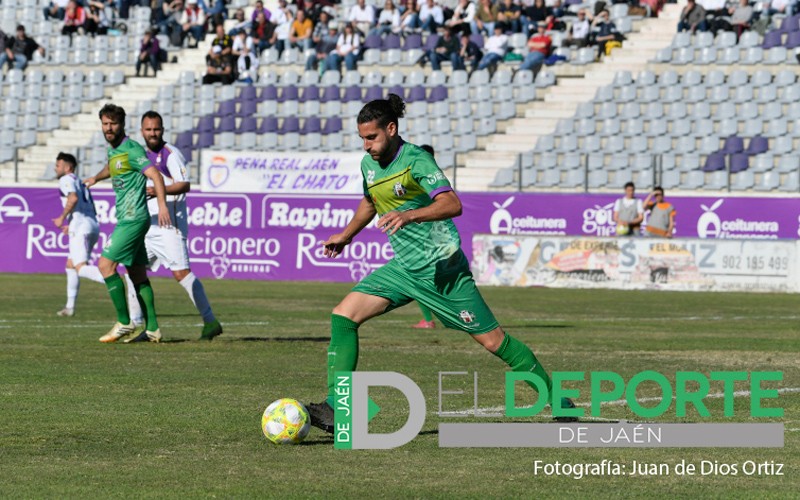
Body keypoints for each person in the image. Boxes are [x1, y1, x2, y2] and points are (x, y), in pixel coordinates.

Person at [304, 94, 576, 432]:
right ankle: (339, 407)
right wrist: (346, 236)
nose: (366, 145)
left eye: (371, 137)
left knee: (494, 342)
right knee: (343, 316)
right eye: (361, 138)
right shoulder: (369, 165)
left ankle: (559, 400)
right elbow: (370, 201)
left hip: (442, 272)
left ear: (391, 128)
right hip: (404, 269)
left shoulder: (417, 161)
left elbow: (452, 203)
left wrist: (410, 214)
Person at [124, 111, 223, 341]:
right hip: (147, 226)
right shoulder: (141, 154)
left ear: (163, 129)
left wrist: (157, 190)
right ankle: (140, 325)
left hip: (170, 225)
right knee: (132, 269)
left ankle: (210, 321)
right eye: (148, 129)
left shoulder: (170, 155)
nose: (152, 133)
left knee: (181, 274)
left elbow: (184, 184)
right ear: (142, 131)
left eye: (156, 129)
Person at [83, 104, 171, 343]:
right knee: (137, 273)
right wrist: (95, 177)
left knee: (105, 266)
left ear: (122, 125)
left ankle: (124, 321)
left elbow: (155, 175)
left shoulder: (131, 149)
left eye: (113, 123)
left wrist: (162, 206)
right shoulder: (114, 151)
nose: (108, 128)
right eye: (105, 123)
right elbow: (112, 168)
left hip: (133, 218)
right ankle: (152, 327)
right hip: (129, 218)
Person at [52, 152, 106, 318]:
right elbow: (89, 206)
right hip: (90, 223)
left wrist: (62, 218)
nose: (56, 168)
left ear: (68, 167)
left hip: (81, 227)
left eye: (58, 165)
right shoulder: (81, 182)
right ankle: (69, 307)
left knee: (80, 268)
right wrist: (74, 222)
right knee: (70, 265)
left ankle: (116, 279)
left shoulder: (66, 179)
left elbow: (73, 199)